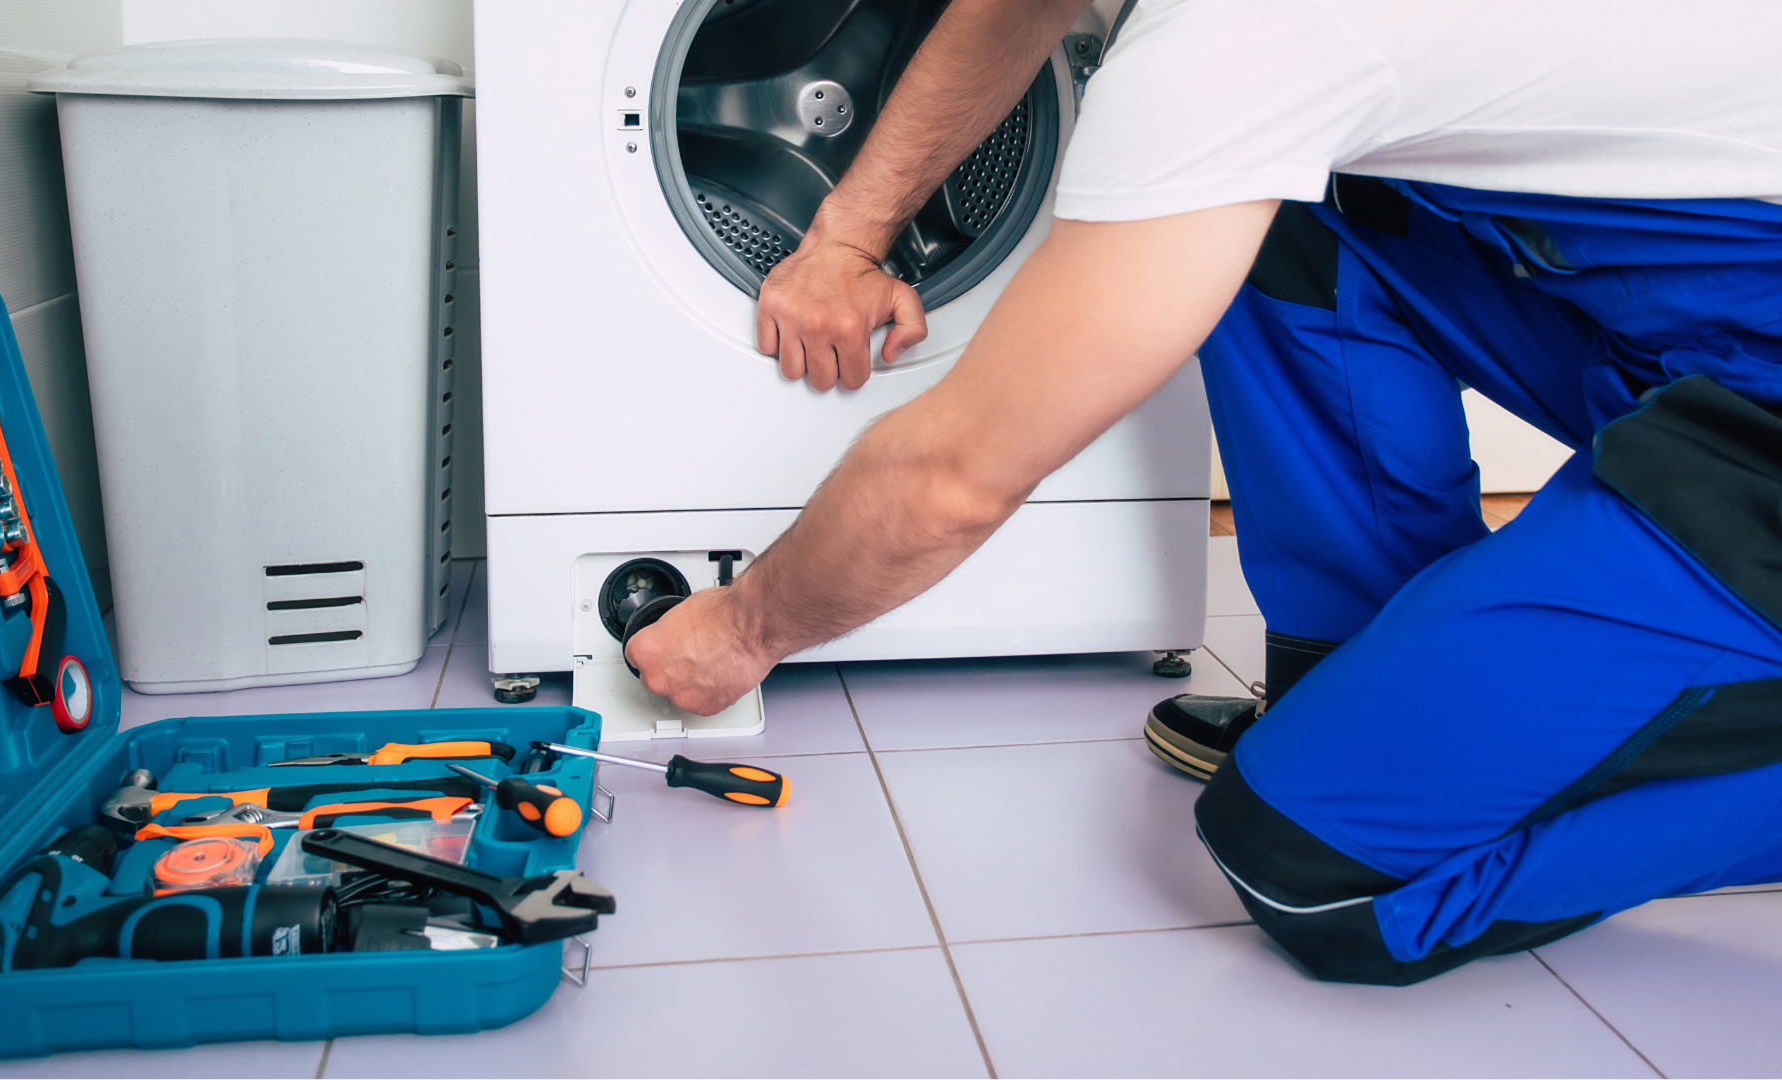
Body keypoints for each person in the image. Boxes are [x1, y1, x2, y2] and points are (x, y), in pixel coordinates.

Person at [623, 0, 1782, 984]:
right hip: (1702, 318)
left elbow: (955, 476)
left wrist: (740, 628)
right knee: (1293, 221)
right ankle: (1360, 675)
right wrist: (846, 237)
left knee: (1305, 863)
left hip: (1753, 423)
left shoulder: (1249, 37)